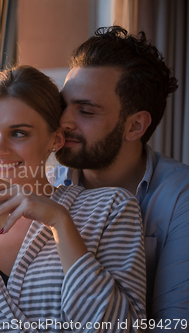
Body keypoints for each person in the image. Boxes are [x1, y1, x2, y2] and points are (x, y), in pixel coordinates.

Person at [0, 65, 146, 332]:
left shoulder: (110, 209)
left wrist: (59, 220)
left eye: (18, 133)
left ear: (55, 140)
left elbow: (126, 328)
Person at [53, 26, 189, 328]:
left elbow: (175, 324)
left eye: (86, 111)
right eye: (64, 106)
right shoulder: (47, 186)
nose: (63, 121)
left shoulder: (181, 199)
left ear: (135, 126)